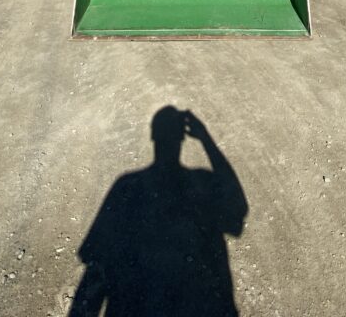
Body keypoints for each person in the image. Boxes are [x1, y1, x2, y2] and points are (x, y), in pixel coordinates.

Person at [71, 107, 248, 316]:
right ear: (183, 138)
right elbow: (237, 209)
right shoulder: (201, 183)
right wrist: (205, 138)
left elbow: (96, 263)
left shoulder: (127, 186)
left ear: (153, 136)